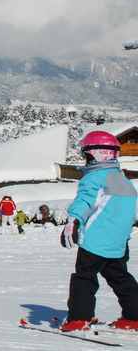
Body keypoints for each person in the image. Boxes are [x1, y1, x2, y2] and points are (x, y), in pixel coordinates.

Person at [60, 131, 138, 332]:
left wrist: (73, 221)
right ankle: (134, 316)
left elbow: (85, 201)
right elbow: (127, 213)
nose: (85, 159)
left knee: (84, 278)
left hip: (94, 240)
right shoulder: (123, 181)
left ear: (96, 154)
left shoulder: (95, 178)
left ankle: (79, 318)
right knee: (121, 279)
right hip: (118, 243)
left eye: (86, 154)